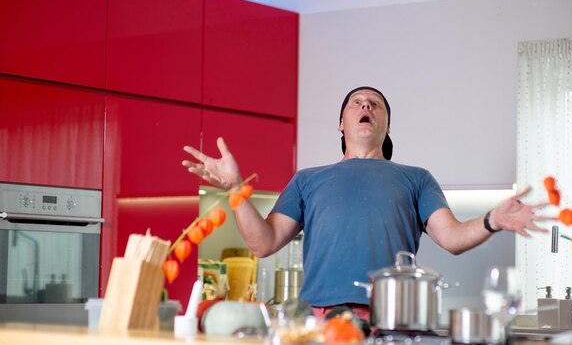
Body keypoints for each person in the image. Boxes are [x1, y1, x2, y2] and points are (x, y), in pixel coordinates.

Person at [182, 86, 552, 321]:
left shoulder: (416, 177)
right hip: (319, 320)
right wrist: (235, 188)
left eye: (375, 104)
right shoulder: (308, 179)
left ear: (387, 126)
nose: (366, 106)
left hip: (391, 318)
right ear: (341, 124)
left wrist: (492, 220)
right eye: (357, 102)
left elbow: (452, 238)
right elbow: (262, 243)